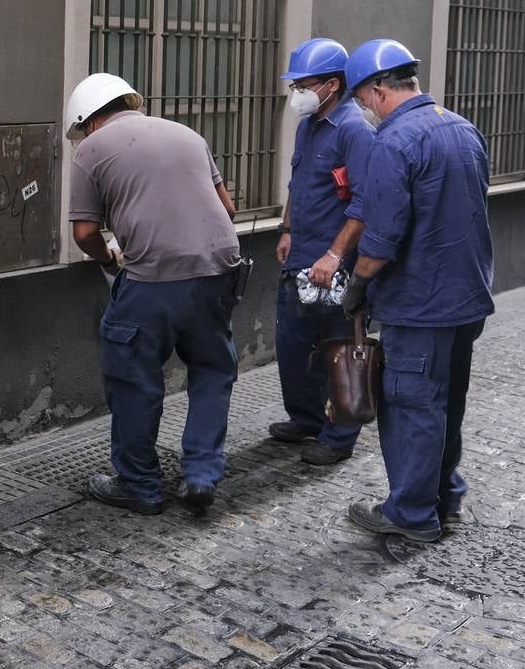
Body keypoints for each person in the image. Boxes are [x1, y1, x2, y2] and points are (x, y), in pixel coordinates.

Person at [67, 73, 243, 516]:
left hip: (154, 277)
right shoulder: (188, 134)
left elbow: (86, 231)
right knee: (211, 369)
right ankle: (201, 474)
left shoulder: (91, 150)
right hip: (220, 268)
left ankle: (139, 485)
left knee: (133, 377)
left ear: (88, 121)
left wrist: (109, 259)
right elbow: (228, 209)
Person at [340, 39, 495, 543]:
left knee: (413, 405)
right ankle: (444, 499)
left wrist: (358, 285)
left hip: (420, 304)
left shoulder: (394, 141)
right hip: (466, 298)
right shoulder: (463, 128)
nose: (364, 107)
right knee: (447, 403)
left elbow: (382, 239)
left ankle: (410, 514)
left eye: (363, 98)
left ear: (380, 89)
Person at [269, 38, 375, 465]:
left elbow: (366, 202)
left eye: (303, 84)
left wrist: (334, 255)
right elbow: (298, 183)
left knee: (342, 351)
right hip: (300, 255)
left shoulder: (355, 129)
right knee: (292, 343)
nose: (296, 93)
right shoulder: (308, 124)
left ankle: (340, 435)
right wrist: (288, 228)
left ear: (332, 85)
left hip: (339, 263)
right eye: (294, 85)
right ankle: (307, 418)